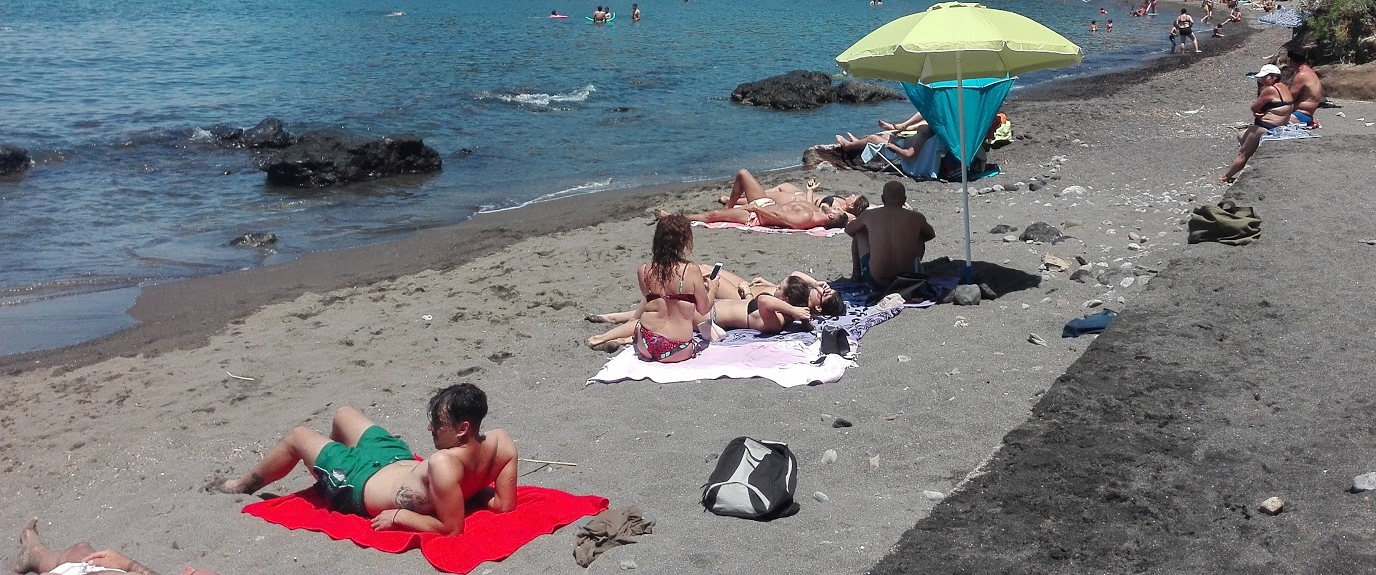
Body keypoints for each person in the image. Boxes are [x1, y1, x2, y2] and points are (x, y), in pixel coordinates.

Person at [211, 384, 517, 535]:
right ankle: (329, 465)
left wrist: (401, 517)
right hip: (396, 459)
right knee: (344, 414)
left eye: (438, 424)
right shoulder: (500, 443)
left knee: (298, 436)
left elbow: (452, 530)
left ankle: (243, 485)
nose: (430, 429)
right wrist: (472, 490)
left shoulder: (443, 464)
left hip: (359, 485)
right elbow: (504, 504)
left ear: (463, 428)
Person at [584, 270, 842, 350]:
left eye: (779, 289)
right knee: (658, 309)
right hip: (710, 310)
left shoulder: (775, 319)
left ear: (786, 298)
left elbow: (765, 302)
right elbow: (792, 277)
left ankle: (604, 337)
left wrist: (796, 313)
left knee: (660, 310)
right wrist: (810, 286)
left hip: (708, 316)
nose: (774, 290)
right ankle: (619, 332)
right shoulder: (781, 311)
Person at [630, 213, 713, 362]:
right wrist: (712, 289)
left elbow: (653, 298)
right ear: (684, 241)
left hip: (646, 343)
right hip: (677, 348)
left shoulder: (643, 270)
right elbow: (704, 309)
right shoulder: (690, 269)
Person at [14, 519, 218, 575]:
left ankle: (32, 552)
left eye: (192, 573)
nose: (187, 568)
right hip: (97, 569)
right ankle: (32, 552)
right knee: (81, 549)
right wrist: (128, 565)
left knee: (74, 556)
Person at [680, 171, 867, 230]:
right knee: (743, 174)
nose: (834, 207)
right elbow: (851, 220)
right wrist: (809, 191)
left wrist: (755, 208)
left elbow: (778, 216)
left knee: (712, 215)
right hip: (764, 205)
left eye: (837, 211)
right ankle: (729, 206)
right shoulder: (815, 212)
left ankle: (675, 217)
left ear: (831, 217)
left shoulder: (805, 219)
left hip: (757, 215)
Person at [845, 180, 935, 293]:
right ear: (905, 200)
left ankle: (856, 274)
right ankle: (911, 265)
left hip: (877, 282)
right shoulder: (917, 217)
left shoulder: (870, 214)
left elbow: (849, 229)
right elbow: (930, 234)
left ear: (882, 199)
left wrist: (874, 236)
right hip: (907, 280)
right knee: (920, 236)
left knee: (859, 232)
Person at [1220, 65, 1294, 183]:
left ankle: (1225, 177)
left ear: (1274, 77)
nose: (1261, 80)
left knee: (1244, 153)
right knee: (1241, 135)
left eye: (1264, 77)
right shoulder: (1284, 87)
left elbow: (1254, 107)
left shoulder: (1270, 90)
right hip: (1277, 124)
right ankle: (1252, 158)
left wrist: (1256, 110)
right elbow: (1274, 107)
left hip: (1266, 127)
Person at [1284, 46, 1324, 126]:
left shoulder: (1302, 75)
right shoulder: (1308, 71)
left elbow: (1289, 99)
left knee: (1268, 119)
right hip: (1306, 114)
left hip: (1300, 115)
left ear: (1289, 59)